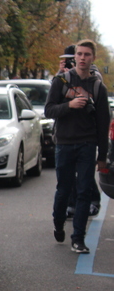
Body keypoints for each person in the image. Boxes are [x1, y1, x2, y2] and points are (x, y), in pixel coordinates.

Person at [45, 39, 110, 254]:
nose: (83, 58)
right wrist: (69, 105)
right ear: (74, 58)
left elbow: (103, 123)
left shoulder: (98, 87)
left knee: (83, 191)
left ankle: (78, 239)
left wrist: (102, 155)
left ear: (93, 58)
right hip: (64, 143)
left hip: (87, 144)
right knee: (63, 190)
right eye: (79, 54)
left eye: (87, 55)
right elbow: (49, 110)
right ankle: (58, 224)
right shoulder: (61, 81)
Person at [57, 45, 103, 219]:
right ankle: (71, 204)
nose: (78, 60)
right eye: (75, 57)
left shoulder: (93, 75)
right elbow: (54, 98)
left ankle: (92, 201)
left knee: (84, 175)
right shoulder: (63, 77)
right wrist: (60, 73)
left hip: (86, 133)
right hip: (65, 131)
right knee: (68, 177)